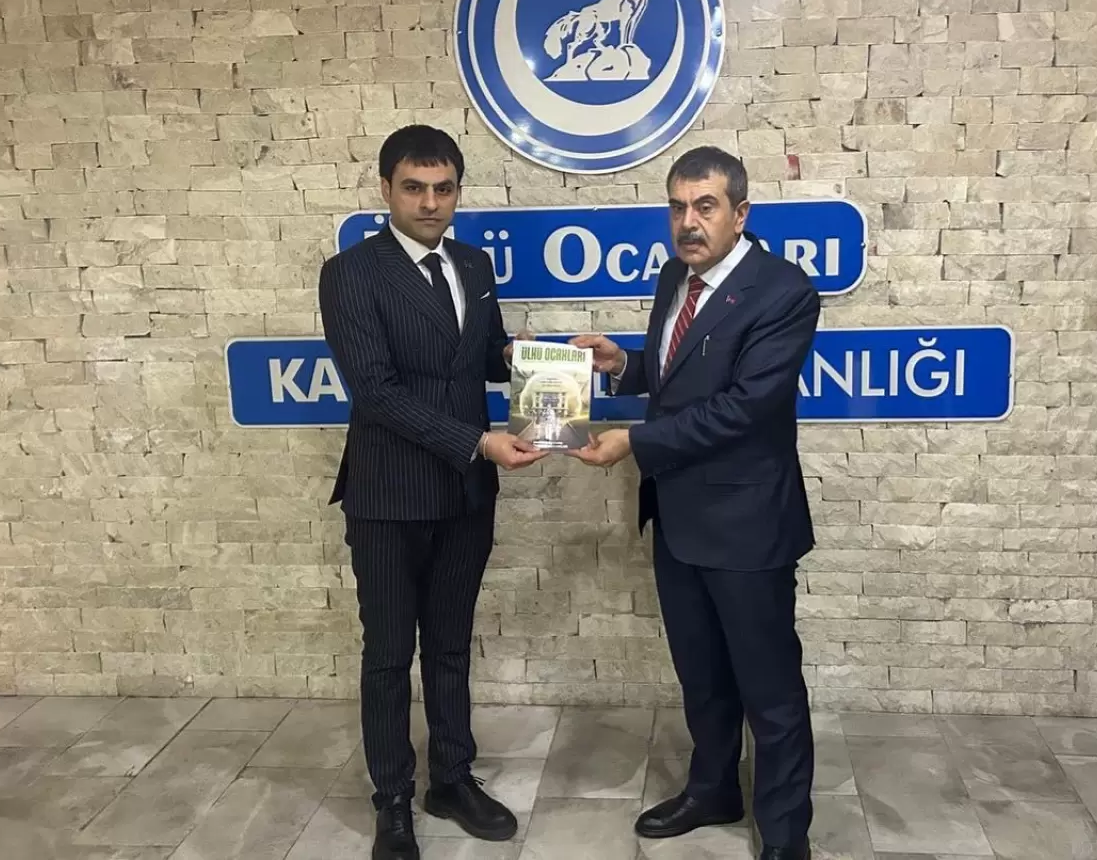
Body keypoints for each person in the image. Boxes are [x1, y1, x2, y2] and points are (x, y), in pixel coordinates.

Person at [570, 146, 820, 860]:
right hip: (679, 519)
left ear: (740, 213)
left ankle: (786, 837)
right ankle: (714, 790)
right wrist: (625, 365)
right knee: (703, 678)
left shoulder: (783, 291)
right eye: (678, 206)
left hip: (748, 526)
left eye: (705, 206)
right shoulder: (672, 278)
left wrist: (636, 441)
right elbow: (681, 375)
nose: (688, 222)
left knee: (769, 690)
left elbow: (745, 406)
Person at [318, 125, 545, 860]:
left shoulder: (474, 264)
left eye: (443, 188)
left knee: (449, 646)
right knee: (389, 655)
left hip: (465, 496)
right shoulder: (350, 274)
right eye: (414, 188)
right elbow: (376, 392)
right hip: (388, 496)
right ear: (386, 189)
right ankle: (392, 801)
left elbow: (485, 355)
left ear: (457, 191)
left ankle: (451, 778)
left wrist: (546, 362)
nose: (429, 202)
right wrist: (478, 441)